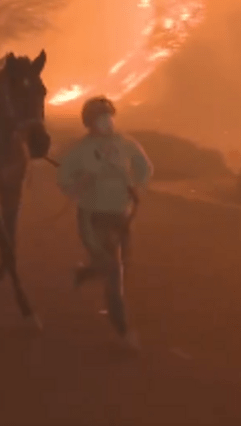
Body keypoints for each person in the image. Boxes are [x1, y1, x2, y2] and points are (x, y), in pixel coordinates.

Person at [56, 96, 153, 350]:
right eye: (101, 118)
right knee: (114, 272)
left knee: (118, 266)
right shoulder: (79, 150)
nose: (107, 122)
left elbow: (145, 168)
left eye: (109, 117)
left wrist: (136, 186)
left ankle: (83, 272)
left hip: (121, 216)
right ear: (90, 123)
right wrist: (79, 185)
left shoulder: (126, 143)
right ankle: (123, 330)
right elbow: (64, 180)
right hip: (92, 218)